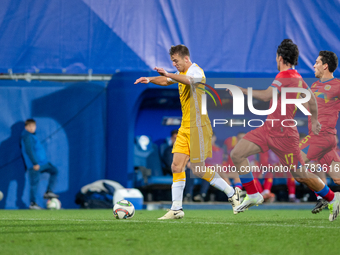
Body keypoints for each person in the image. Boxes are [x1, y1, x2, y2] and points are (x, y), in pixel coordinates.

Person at [229, 39, 340, 221]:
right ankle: (253, 194)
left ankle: (332, 197)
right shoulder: (298, 78)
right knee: (237, 154)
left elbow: (266, 95)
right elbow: (311, 99)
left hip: (284, 135)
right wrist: (313, 118)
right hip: (268, 128)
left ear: (280, 58)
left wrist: (241, 90)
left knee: (301, 175)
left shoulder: (285, 76)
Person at [135, 45, 240, 219]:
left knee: (198, 169)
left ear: (185, 58)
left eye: (176, 61)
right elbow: (166, 80)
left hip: (199, 127)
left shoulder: (197, 71)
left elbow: (188, 81)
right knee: (176, 166)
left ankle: (232, 193)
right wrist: (150, 79)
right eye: (172, 62)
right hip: (185, 127)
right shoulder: (180, 74)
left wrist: (169, 74)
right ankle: (176, 208)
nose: (174, 64)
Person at [299, 51, 340, 214]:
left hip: (321, 137)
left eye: (316, 62)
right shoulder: (315, 86)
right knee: (337, 178)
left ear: (325, 66)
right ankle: (324, 196)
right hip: (325, 140)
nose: (313, 65)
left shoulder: (337, 85)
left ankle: (327, 197)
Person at [21, 119, 59, 209]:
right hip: (35, 165)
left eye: (33, 126)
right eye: (29, 126)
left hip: (43, 163)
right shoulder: (27, 136)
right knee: (34, 184)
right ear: (26, 127)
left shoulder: (32, 136)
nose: (32, 128)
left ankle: (48, 192)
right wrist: (35, 163)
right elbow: (29, 150)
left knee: (54, 170)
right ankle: (33, 204)